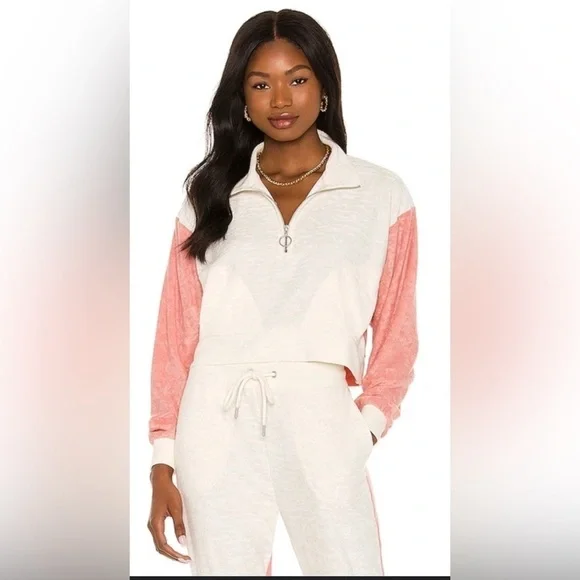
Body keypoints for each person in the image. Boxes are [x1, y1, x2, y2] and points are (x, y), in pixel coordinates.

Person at [146, 8, 418, 577]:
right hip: (214, 419)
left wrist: (366, 426)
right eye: (260, 84)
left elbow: (397, 331)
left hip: (322, 417)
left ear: (324, 88)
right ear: (242, 99)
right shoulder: (209, 197)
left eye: (297, 79)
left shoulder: (379, 194)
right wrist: (163, 460)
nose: (281, 99)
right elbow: (175, 338)